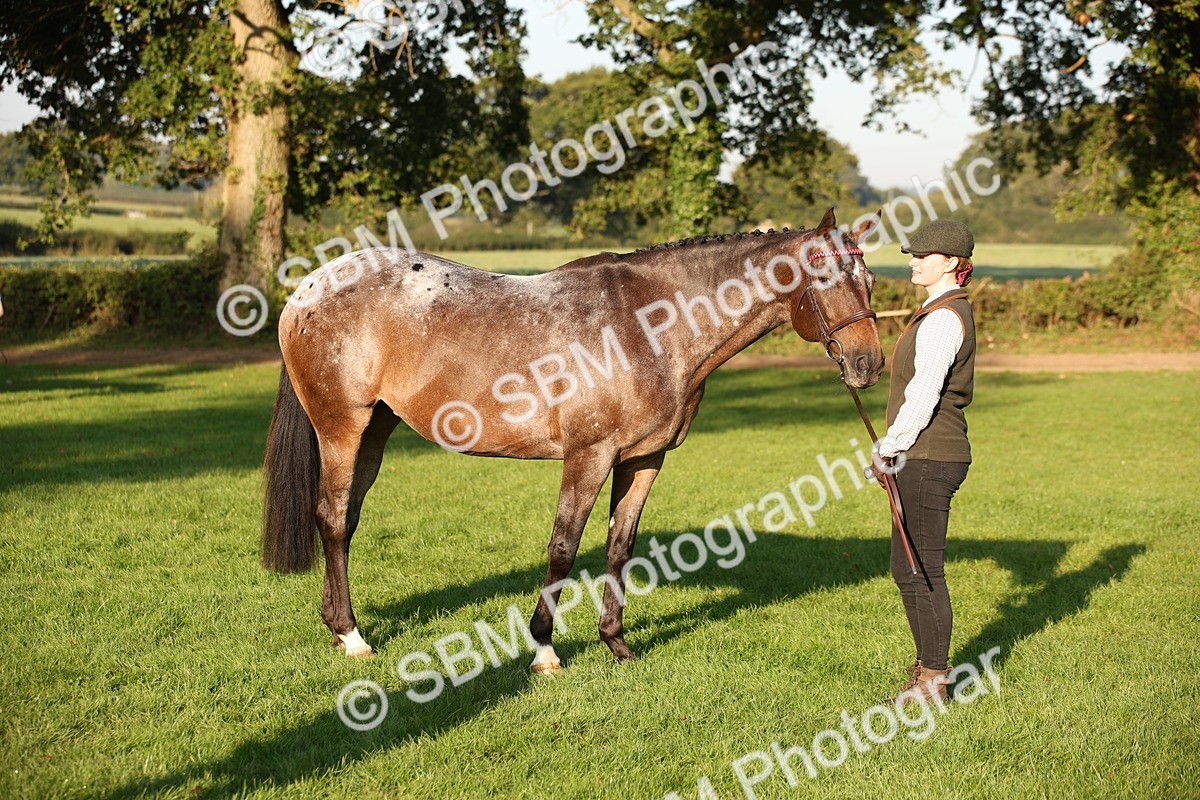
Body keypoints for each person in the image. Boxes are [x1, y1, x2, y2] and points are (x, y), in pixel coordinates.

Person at [874, 219, 976, 705]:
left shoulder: (942, 318)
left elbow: (924, 394)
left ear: (951, 262)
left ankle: (934, 680)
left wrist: (890, 444)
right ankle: (927, 670)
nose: (913, 261)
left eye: (923, 255)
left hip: (929, 456)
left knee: (923, 568)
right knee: (906, 566)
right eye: (912, 253)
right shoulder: (935, 311)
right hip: (925, 454)